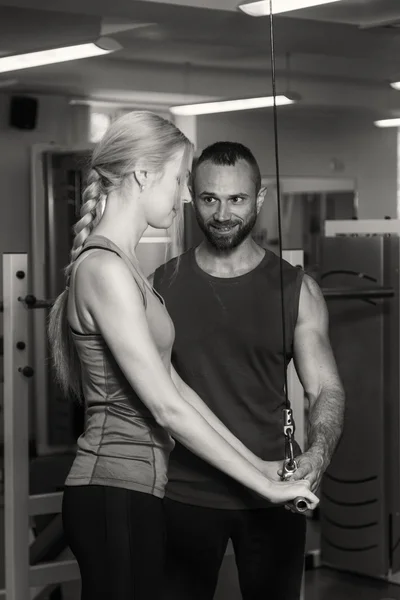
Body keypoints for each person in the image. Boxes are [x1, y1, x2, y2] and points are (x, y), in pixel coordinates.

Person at [47, 114, 318, 600]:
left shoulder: (125, 267)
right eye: (179, 179)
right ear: (143, 175)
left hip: (138, 491)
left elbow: (177, 388)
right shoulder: (105, 268)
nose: (185, 196)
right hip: (113, 489)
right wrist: (272, 490)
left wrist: (259, 467)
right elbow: (165, 407)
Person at [153, 141, 345, 600]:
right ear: (191, 198)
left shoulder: (297, 290)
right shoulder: (160, 286)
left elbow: (325, 389)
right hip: (185, 489)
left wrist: (319, 452)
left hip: (275, 487)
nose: (222, 213)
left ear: (259, 199)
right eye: (209, 198)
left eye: (237, 199)